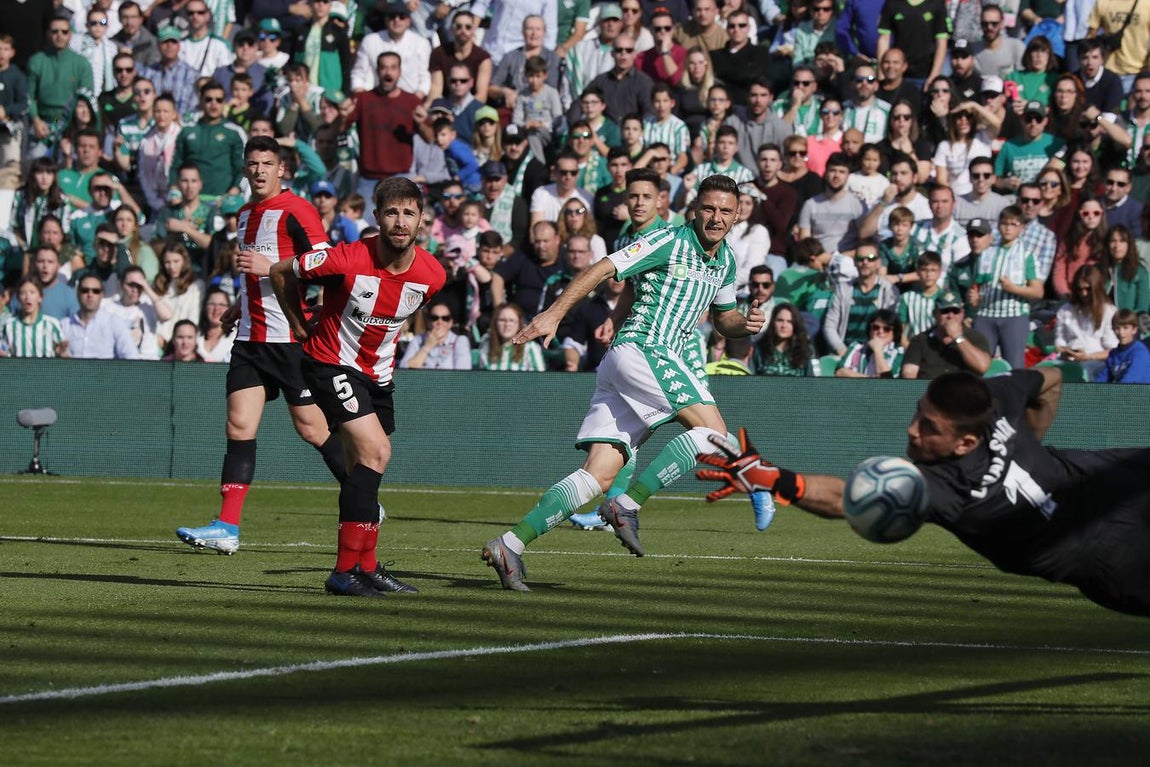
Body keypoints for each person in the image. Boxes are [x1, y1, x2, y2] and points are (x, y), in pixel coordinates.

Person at [480, 174, 766, 591]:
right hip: (645, 350)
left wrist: (747, 324)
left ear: (738, 214)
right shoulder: (669, 240)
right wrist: (556, 313)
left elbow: (724, 320)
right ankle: (626, 505)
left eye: (725, 210)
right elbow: (604, 266)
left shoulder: (725, 261)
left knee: (596, 475)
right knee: (715, 436)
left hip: (629, 365)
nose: (716, 217)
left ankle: (510, 545)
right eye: (708, 208)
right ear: (694, 209)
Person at [698, 368, 1150, 618]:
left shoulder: (943, 487)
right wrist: (1030, 443)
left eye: (929, 427)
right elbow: (1048, 381)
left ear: (966, 442)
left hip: (1117, 496)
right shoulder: (988, 403)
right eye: (918, 413)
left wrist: (772, 479)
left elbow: (842, 498)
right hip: (1107, 550)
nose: (912, 431)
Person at [173, 137, 355, 562]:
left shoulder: (298, 210)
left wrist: (270, 268)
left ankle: (361, 498)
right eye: (252, 163)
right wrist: (240, 306)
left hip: (290, 339)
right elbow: (255, 278)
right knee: (238, 427)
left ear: (282, 170)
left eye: (267, 164)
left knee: (312, 429)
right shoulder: (243, 215)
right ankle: (226, 527)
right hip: (250, 340)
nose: (259, 171)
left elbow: (328, 267)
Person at [268, 176, 446, 597]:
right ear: (376, 217)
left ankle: (366, 567)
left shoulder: (433, 275)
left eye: (408, 213)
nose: (400, 222)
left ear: (422, 219)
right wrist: (298, 324)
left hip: (378, 376)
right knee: (377, 451)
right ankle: (343, 572)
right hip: (330, 363)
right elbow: (279, 271)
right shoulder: (344, 258)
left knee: (364, 467)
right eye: (391, 213)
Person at [971, 206, 1045, 369]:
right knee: (979, 365)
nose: (1008, 228)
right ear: (998, 226)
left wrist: (1013, 289)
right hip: (986, 315)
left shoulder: (1027, 256)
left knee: (1015, 366)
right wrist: (974, 297)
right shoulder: (986, 254)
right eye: (1004, 224)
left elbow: (1038, 291)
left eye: (1013, 224)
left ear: (1021, 227)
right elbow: (976, 285)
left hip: (1014, 315)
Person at [824, 242, 901, 357]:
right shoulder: (843, 289)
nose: (865, 262)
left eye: (870, 258)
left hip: (877, 352)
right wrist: (842, 350)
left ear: (878, 263)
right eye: (860, 258)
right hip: (845, 351)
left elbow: (890, 327)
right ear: (854, 262)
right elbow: (829, 325)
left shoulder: (888, 290)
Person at [900, 289, 992, 379]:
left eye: (955, 311)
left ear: (963, 314)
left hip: (964, 391)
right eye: (945, 311)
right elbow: (908, 373)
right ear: (935, 313)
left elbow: (982, 367)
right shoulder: (921, 340)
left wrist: (958, 337)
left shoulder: (974, 337)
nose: (950, 316)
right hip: (931, 391)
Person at [1054, 263, 1118, 377]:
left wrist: (1088, 356)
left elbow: (1113, 351)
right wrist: (1064, 351)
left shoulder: (1109, 312)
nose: (1084, 294)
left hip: (1096, 362)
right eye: (1080, 289)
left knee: (1082, 371)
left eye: (1088, 289)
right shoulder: (1065, 310)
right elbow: (1059, 342)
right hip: (1069, 360)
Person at [58, 274, 141, 359]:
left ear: (102, 295)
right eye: (85, 290)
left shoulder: (114, 322)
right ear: (78, 293)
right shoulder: (64, 325)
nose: (90, 295)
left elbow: (131, 356)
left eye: (96, 291)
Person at [0, 279, 65, 358]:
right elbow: (4, 354)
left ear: (40, 297)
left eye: (32, 292)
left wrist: (60, 353)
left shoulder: (52, 324)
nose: (27, 297)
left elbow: (63, 355)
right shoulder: (10, 325)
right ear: (18, 298)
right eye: (23, 293)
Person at [398, 301, 472, 370]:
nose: (439, 322)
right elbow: (403, 368)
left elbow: (463, 373)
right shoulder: (418, 340)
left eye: (445, 318)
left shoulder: (460, 341)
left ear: (451, 322)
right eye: (434, 318)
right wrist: (427, 347)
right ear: (428, 322)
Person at [834, 307, 904, 378]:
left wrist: (878, 350)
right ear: (870, 329)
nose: (880, 331)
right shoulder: (856, 347)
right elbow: (840, 372)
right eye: (876, 327)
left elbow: (888, 382)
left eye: (887, 329)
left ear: (895, 333)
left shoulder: (900, 354)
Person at [753, 302, 814, 376]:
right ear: (773, 322)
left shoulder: (805, 351)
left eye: (789, 322)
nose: (784, 325)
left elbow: (811, 382)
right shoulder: (758, 350)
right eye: (780, 320)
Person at [1093, 308, 1150, 383]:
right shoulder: (1113, 354)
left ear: (1134, 330)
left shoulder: (1140, 352)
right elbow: (1103, 377)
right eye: (1117, 328)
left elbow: (1131, 379)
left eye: (1125, 328)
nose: (1121, 333)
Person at [1105, 225, 1150, 313]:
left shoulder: (1140, 270)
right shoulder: (1100, 269)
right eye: (1113, 241)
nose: (1117, 245)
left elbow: (1143, 306)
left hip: (1129, 323)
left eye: (1122, 241)